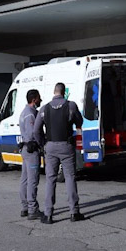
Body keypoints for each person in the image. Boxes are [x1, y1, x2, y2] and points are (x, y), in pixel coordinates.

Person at [36, 82, 85, 223]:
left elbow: (36, 130)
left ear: (54, 91)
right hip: (66, 146)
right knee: (70, 177)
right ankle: (74, 212)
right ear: (64, 92)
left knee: (51, 179)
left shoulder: (45, 108)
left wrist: (42, 143)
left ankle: (48, 214)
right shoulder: (71, 105)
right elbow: (79, 122)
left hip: (50, 146)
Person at [18, 89, 42, 219]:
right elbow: (34, 133)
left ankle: (25, 207)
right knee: (32, 180)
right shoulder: (30, 115)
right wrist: (42, 143)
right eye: (39, 98)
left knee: (25, 179)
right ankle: (32, 210)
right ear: (34, 100)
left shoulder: (24, 112)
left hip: (25, 150)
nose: (40, 100)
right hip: (32, 150)